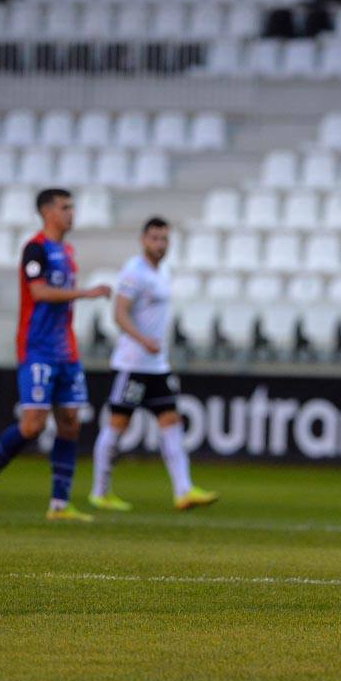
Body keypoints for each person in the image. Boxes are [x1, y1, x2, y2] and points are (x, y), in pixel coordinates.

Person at [0, 189, 111, 521]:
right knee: (33, 425)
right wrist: (86, 293)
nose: (71, 213)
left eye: (72, 207)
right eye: (65, 207)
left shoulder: (68, 250)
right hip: (37, 349)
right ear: (47, 212)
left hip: (66, 350)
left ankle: (59, 505)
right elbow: (39, 292)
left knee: (70, 423)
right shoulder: (36, 249)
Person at [88, 217, 219, 512]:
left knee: (171, 421)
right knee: (118, 424)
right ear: (143, 240)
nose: (160, 244)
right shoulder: (134, 273)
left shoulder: (162, 271)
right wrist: (142, 339)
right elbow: (119, 314)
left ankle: (183, 490)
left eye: (164, 239)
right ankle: (100, 491)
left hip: (157, 366)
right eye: (155, 238)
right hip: (133, 364)